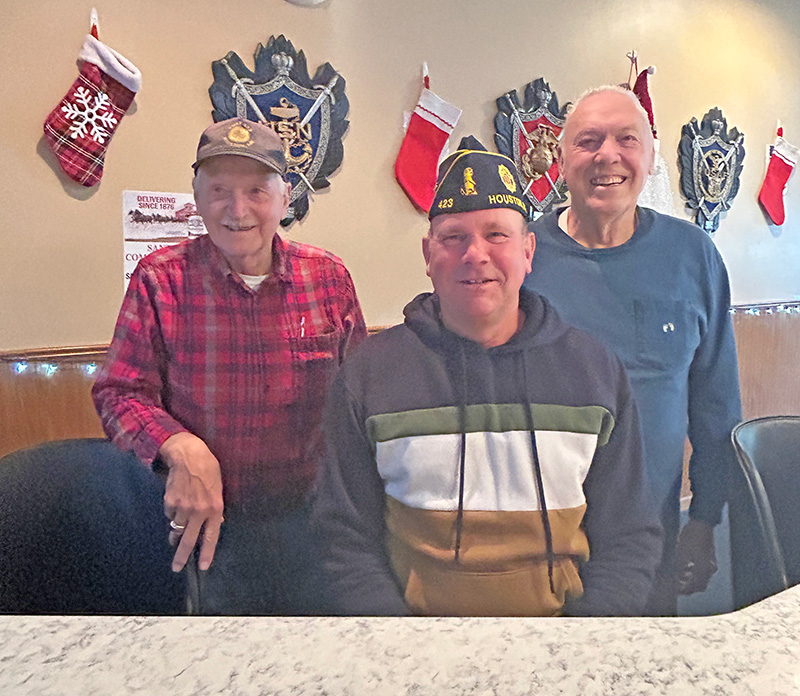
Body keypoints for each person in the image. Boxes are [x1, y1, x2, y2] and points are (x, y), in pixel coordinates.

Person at [314, 137, 662, 617]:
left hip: (565, 642)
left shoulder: (594, 372)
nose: (475, 253)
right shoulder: (370, 375)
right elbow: (343, 539)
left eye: (496, 235)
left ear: (528, 251)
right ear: (428, 254)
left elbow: (630, 536)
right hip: (414, 649)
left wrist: (582, 646)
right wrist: (400, 649)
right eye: (454, 236)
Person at [93, 117, 367, 614]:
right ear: (197, 198)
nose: (237, 210)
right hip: (208, 531)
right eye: (219, 190)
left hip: (318, 525)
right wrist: (178, 445)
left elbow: (362, 398)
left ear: (285, 198)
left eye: (256, 191)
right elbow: (118, 392)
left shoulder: (328, 277)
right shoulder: (160, 280)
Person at [524, 86, 742, 614]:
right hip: (531, 544)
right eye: (588, 141)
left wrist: (706, 518)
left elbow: (715, 404)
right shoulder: (522, 256)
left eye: (627, 140)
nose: (608, 156)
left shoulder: (694, 255)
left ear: (649, 154)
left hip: (653, 539)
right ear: (560, 158)